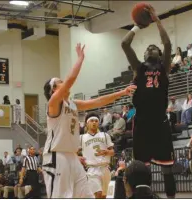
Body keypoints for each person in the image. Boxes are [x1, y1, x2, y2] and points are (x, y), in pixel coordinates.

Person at [41, 43, 136, 198]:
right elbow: (71, 79)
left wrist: (122, 92)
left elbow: (98, 101)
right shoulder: (53, 103)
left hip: (71, 157)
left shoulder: (73, 104)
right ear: (53, 90)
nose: (63, 81)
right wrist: (80, 58)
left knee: (87, 196)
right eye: (59, 81)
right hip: (56, 156)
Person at [121, 5, 175, 198]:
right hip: (142, 123)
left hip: (160, 123)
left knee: (168, 170)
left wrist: (156, 19)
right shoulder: (139, 68)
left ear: (159, 55)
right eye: (148, 48)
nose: (151, 48)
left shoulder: (164, 67)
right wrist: (137, 26)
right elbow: (124, 44)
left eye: (155, 48)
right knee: (141, 171)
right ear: (144, 56)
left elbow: (167, 44)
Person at [80, 113, 114, 198]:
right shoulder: (81, 138)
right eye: (92, 121)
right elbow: (74, 152)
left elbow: (113, 152)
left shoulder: (105, 135)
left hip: (105, 168)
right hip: (92, 169)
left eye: (96, 121)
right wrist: (78, 158)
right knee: (97, 194)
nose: (94, 122)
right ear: (87, 123)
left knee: (104, 196)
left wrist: (107, 152)